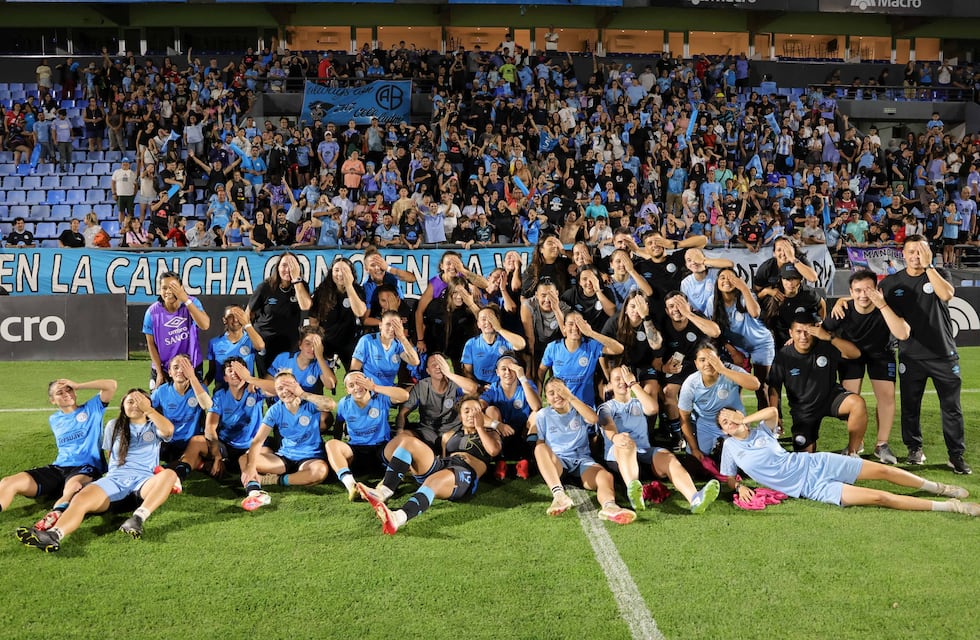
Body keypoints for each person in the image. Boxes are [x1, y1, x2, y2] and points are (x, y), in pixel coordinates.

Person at [717, 407, 979, 516]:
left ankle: (938, 487)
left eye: (731, 416)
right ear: (724, 431)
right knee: (880, 498)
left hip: (815, 463)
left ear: (740, 414)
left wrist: (745, 420)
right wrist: (739, 487)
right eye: (724, 423)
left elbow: (773, 411)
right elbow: (729, 478)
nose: (730, 423)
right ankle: (952, 506)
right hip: (811, 488)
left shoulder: (762, 429)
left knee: (882, 471)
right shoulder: (730, 447)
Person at [18, 389, 181, 552]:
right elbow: (111, 456)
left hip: (144, 485)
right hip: (114, 482)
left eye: (140, 402)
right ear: (123, 406)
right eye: (130, 401)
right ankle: (54, 535)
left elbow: (168, 431)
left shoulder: (154, 426)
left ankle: (137, 518)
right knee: (80, 499)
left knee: (169, 473)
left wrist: (149, 410)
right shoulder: (113, 425)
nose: (135, 405)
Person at [879, 235, 971, 473]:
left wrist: (930, 266)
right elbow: (868, 299)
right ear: (903, 254)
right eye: (911, 251)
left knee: (951, 407)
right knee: (910, 406)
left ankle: (956, 455)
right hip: (910, 356)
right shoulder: (892, 283)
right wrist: (841, 302)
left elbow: (947, 295)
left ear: (928, 253)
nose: (915, 256)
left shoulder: (939, 274)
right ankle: (914, 449)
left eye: (920, 251)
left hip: (943, 354)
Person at [356, 394, 502, 535]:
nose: (472, 414)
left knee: (433, 481)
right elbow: (443, 457)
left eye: (476, 411)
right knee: (408, 442)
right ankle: (383, 492)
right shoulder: (449, 436)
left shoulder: (490, 434)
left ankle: (398, 517)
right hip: (444, 464)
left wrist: (480, 427)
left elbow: (494, 451)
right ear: (460, 416)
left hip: (464, 471)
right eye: (467, 411)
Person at [0, 378, 116, 532]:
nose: (66, 394)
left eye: (69, 390)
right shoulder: (54, 419)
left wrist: (79, 385)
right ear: (52, 400)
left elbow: (111, 385)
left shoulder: (92, 408)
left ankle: (52, 518)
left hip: (85, 468)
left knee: (73, 487)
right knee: (8, 482)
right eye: (59, 392)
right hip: (58, 468)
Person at [600, 366, 720, 514]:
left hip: (644, 454)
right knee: (626, 441)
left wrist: (633, 385)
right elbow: (607, 425)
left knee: (669, 458)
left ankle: (695, 498)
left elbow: (652, 409)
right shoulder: (606, 407)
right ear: (610, 385)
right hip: (619, 458)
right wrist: (615, 437)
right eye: (617, 379)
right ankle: (635, 494)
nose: (622, 382)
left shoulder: (639, 402)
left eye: (625, 378)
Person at [826, 270, 912, 465]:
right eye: (857, 291)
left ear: (877, 290)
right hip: (851, 355)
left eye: (868, 290)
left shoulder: (886, 306)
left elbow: (902, 334)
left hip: (881, 354)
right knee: (850, 400)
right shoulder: (843, 309)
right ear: (850, 291)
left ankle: (882, 445)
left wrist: (882, 305)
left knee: (887, 397)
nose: (863, 295)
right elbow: (823, 331)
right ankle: (856, 444)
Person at [531, 378, 636, 524]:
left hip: (582, 461)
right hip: (558, 463)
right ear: (546, 398)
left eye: (560, 390)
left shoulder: (579, 408)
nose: (557, 395)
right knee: (540, 448)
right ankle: (559, 495)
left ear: (567, 391)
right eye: (551, 393)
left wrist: (571, 398)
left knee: (605, 476)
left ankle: (610, 507)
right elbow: (540, 443)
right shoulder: (543, 415)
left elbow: (594, 419)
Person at [768, 313, 866, 455]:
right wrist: (774, 415)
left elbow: (855, 354)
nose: (803, 336)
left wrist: (828, 337)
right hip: (803, 411)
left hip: (830, 398)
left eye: (808, 331)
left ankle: (852, 453)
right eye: (799, 332)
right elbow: (774, 388)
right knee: (804, 457)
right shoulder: (783, 356)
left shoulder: (825, 345)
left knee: (857, 403)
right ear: (791, 333)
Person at [239, 371, 337, 511]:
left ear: (296, 385)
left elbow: (331, 405)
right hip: (284, 457)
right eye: (280, 388)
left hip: (310, 458)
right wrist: (250, 467)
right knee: (245, 459)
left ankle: (272, 480)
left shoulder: (309, 403)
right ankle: (254, 491)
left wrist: (302, 394)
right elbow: (257, 441)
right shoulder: (275, 410)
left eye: (288, 386)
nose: (285, 391)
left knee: (320, 471)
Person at [326, 371, 410, 500]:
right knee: (331, 444)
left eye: (360, 382)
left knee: (404, 440)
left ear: (367, 381)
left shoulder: (380, 397)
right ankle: (351, 486)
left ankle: (388, 482)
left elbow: (404, 395)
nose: (357, 387)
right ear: (347, 390)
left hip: (381, 449)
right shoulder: (344, 403)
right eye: (351, 385)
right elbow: (339, 424)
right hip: (356, 451)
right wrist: (337, 453)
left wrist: (375, 387)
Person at [678, 342, 761, 462]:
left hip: (734, 422)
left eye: (711, 359)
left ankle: (726, 446)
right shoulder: (690, 384)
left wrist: (722, 370)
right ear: (696, 364)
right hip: (706, 426)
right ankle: (717, 447)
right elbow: (684, 418)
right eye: (702, 360)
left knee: (747, 462)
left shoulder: (730, 370)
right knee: (694, 465)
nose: (707, 364)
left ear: (719, 360)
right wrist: (694, 448)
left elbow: (755, 385)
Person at [712, 268, 775, 411]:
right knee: (734, 386)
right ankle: (737, 422)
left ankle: (766, 425)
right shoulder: (713, 301)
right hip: (737, 346)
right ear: (717, 282)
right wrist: (732, 351)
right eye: (722, 277)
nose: (726, 280)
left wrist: (744, 287)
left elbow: (755, 312)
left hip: (760, 343)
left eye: (731, 277)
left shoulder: (744, 295)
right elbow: (714, 331)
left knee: (761, 386)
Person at [538, 311, 624, 408]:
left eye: (579, 324)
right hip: (562, 405)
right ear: (564, 328)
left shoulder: (591, 345)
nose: (575, 328)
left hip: (586, 406)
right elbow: (541, 372)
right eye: (571, 324)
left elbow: (619, 349)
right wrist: (541, 393)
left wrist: (591, 333)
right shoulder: (553, 348)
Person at [247, 252, 312, 377]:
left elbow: (305, 306)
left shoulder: (301, 286)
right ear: (277, 267)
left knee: (287, 381)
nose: (288, 269)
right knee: (267, 384)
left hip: (289, 343)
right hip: (266, 343)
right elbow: (247, 315)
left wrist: (296, 280)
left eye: (292, 265)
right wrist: (254, 338)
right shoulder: (265, 287)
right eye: (284, 265)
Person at [143, 271, 210, 390]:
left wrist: (186, 300)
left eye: (173, 287)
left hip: (191, 366)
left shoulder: (192, 303)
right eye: (164, 288)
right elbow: (151, 344)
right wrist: (159, 372)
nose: (168, 292)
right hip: (163, 368)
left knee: (194, 405)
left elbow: (205, 325)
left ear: (181, 288)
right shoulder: (152, 312)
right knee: (157, 405)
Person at [481, 352, 541, 480]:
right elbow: (478, 408)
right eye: (503, 369)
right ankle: (500, 462)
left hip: (523, 436)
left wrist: (523, 378)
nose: (507, 372)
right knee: (491, 410)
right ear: (497, 372)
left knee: (537, 414)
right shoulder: (493, 388)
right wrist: (497, 424)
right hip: (501, 437)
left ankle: (525, 461)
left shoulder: (526, 385)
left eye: (512, 368)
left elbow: (536, 406)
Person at [309, 257, 368, 372]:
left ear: (351, 273)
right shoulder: (322, 291)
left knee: (356, 376)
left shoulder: (357, 290)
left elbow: (360, 312)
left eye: (345, 270)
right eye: (336, 270)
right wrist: (316, 339)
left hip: (350, 341)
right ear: (331, 272)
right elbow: (314, 319)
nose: (340, 274)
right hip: (327, 340)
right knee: (317, 374)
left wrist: (349, 286)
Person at [460, 304, 527, 386]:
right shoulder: (471, 344)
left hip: (504, 385)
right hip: (481, 385)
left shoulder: (505, 340)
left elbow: (521, 344)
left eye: (491, 319)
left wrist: (499, 329)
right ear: (478, 324)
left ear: (497, 321)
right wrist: (479, 387)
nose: (487, 322)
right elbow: (467, 372)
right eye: (483, 319)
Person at [350, 310, 420, 387]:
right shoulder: (367, 341)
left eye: (395, 325)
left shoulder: (399, 344)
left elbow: (415, 361)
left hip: (388, 391)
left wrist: (402, 337)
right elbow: (354, 371)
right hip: (369, 390)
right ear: (380, 325)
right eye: (388, 324)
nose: (391, 329)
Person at [205, 305, 266, 389]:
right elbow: (211, 372)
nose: (235, 319)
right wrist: (201, 388)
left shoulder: (251, 339)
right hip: (222, 393)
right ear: (224, 320)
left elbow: (260, 347)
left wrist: (247, 324)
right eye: (231, 316)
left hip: (247, 393)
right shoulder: (215, 343)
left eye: (239, 316)